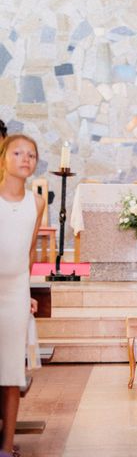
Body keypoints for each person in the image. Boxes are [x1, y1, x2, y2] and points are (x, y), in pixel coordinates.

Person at [0, 134, 44, 456]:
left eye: (31, 154)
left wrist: (26, 293)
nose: (25, 158)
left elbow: (28, 252)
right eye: (17, 152)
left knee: (11, 371)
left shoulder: (36, 202)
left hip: (15, 291)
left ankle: (6, 444)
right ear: (3, 158)